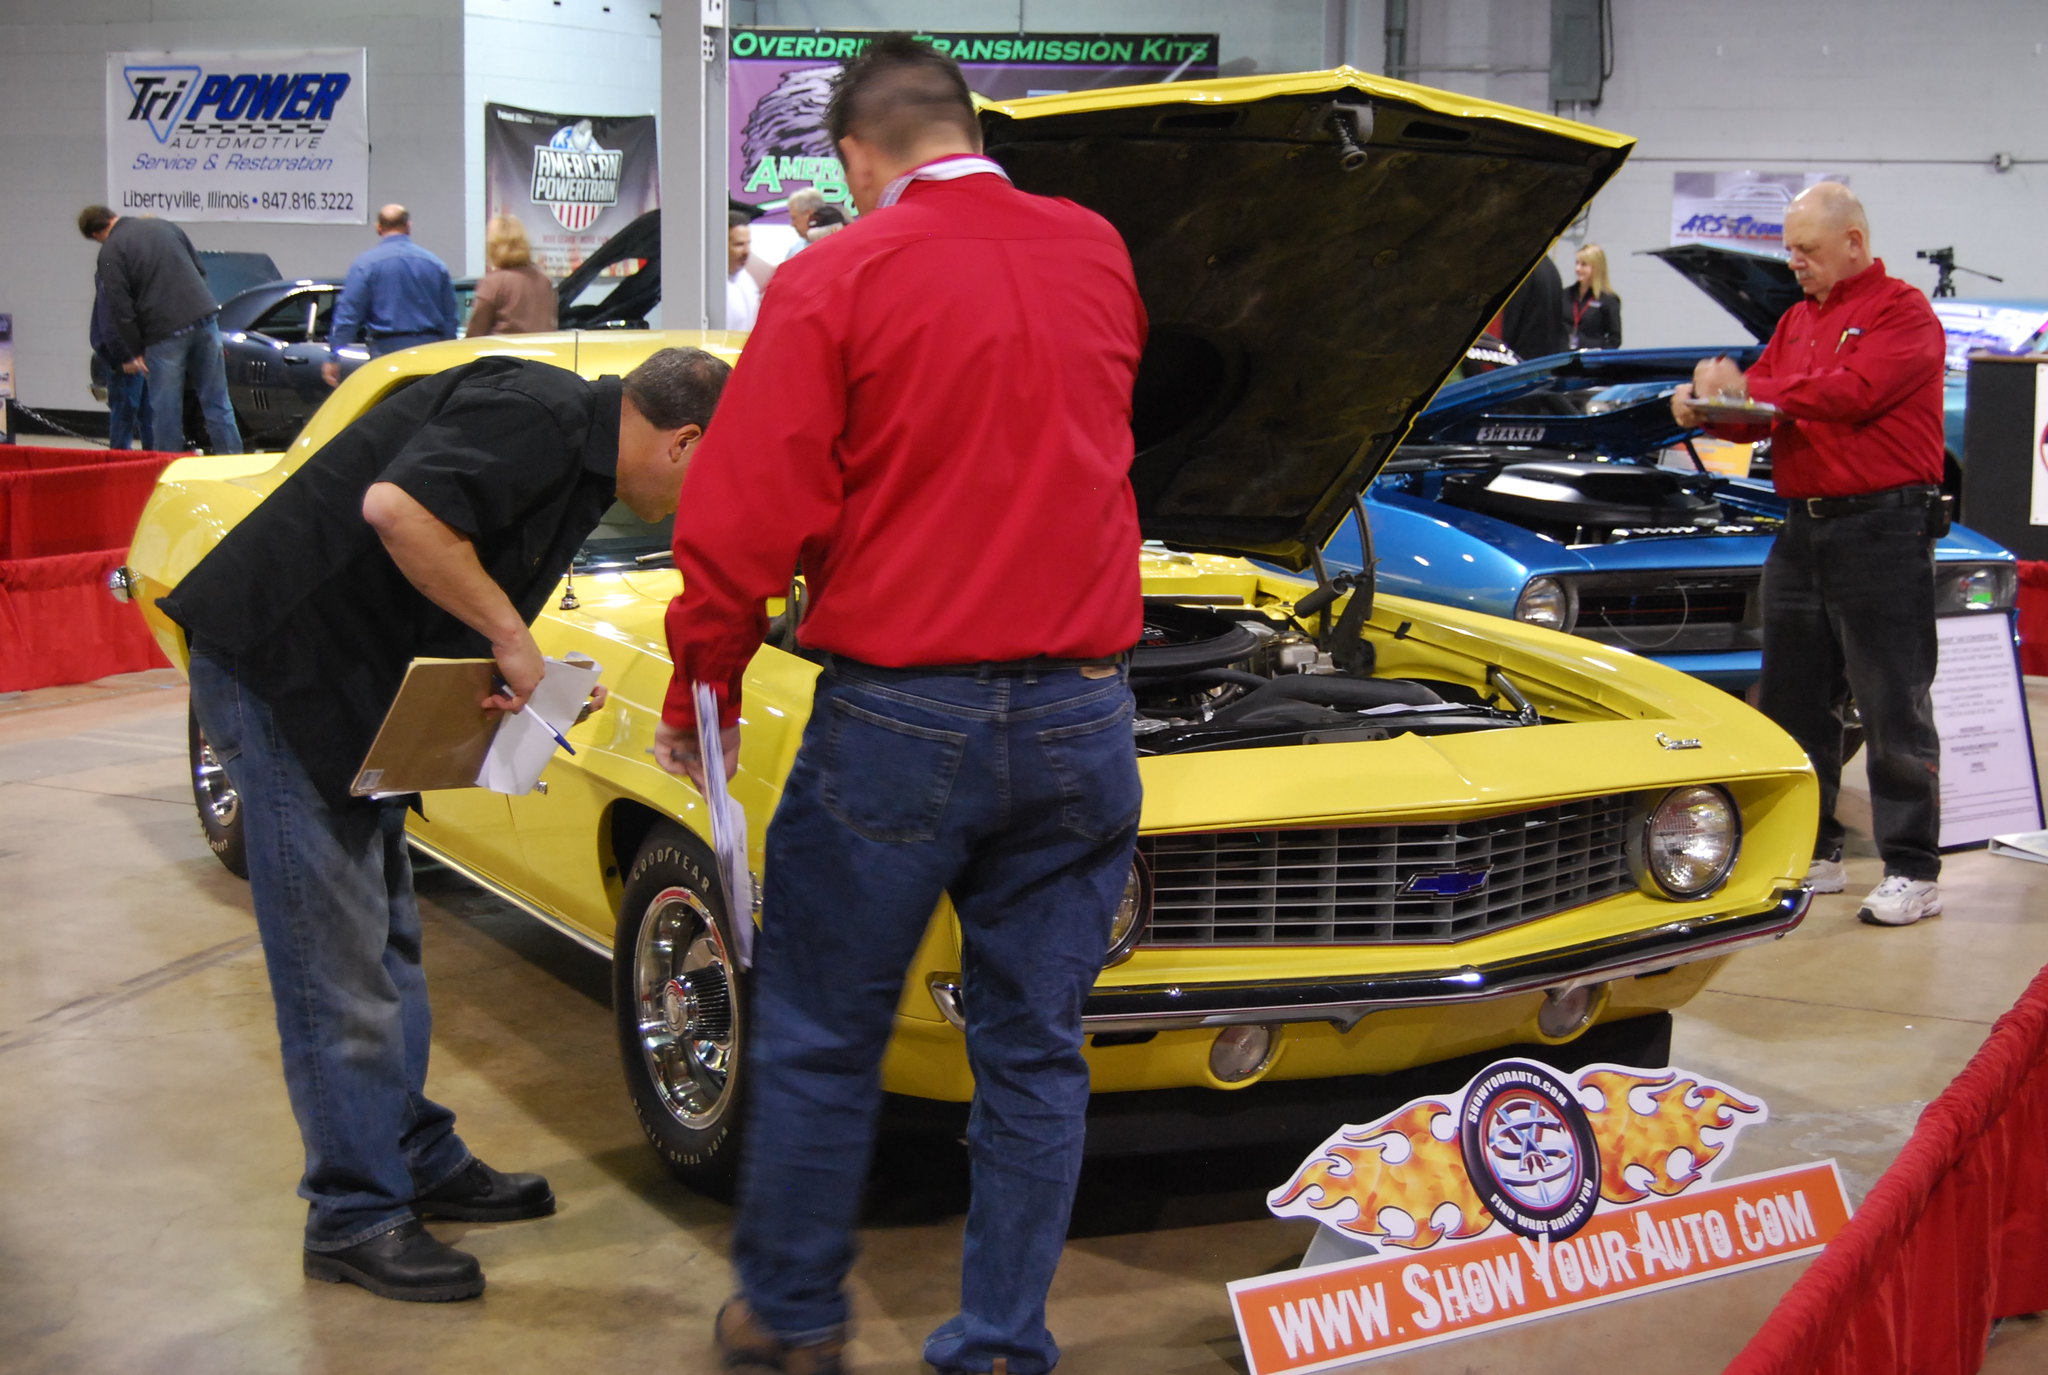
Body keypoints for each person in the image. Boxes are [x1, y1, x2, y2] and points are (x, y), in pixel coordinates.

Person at [654, 33, 1147, 1375]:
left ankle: (797, 1319)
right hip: (1085, 715)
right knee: (1036, 1047)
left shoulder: (837, 275)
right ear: (971, 125)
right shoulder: (1097, 251)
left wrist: (704, 675)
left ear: (859, 157)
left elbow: (748, 514)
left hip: (899, 722)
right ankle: (999, 1338)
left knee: (822, 1030)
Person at [160, 346, 730, 1302]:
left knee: (389, 940)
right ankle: (352, 1214)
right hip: (282, 670)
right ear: (684, 441)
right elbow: (398, 510)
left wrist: (511, 666)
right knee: (337, 965)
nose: (702, 505)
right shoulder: (540, 415)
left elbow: (446, 555)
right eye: (720, 472)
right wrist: (511, 641)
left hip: (354, 680)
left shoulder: (576, 451)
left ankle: (413, 1154)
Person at [1672, 181, 1946, 927]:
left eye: (1808, 249)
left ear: (1854, 242)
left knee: (1893, 704)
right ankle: (1816, 849)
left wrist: (1755, 387)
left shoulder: (1903, 313)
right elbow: (1762, 417)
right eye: (1789, 249)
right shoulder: (1796, 321)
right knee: (1794, 700)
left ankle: (1913, 867)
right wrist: (1709, 408)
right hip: (1803, 531)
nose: (1794, 262)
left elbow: (1851, 391)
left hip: (1882, 532)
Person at [77, 205, 243, 455]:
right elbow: (200, 270)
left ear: (96, 234)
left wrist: (134, 351)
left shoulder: (110, 251)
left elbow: (119, 307)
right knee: (217, 402)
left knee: (166, 411)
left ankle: (168, 470)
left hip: (164, 333)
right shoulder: (164, 226)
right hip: (204, 320)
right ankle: (233, 463)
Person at [323, 204, 460, 386]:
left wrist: (334, 356)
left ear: (379, 228)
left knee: (390, 408)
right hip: (430, 351)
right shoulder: (434, 264)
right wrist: (447, 351)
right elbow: (450, 316)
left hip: (386, 353)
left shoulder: (365, 265)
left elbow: (348, 315)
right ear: (408, 226)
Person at [465, 214, 557, 336]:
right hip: (540, 352)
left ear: (492, 246)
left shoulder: (493, 282)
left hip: (503, 352)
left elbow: (475, 333)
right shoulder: (544, 280)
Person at [91, 279, 154, 450]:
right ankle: (121, 469)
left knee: (150, 417)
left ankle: (154, 467)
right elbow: (110, 325)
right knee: (126, 415)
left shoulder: (133, 271)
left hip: (145, 353)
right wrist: (125, 357)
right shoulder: (113, 274)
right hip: (127, 356)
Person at [1499, 252, 1568, 360]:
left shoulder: (1523, 268)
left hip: (1522, 359)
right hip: (1546, 360)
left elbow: (1511, 320)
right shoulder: (1551, 268)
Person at [1567, 243, 1622, 350]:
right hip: (1564, 359)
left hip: (1591, 362)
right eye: (1577, 263)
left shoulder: (1609, 300)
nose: (1577, 268)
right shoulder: (1565, 295)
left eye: (1584, 264)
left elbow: (1615, 338)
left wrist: (1600, 355)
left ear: (1596, 268)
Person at [725, 209, 761, 330]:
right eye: (739, 244)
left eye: (748, 243)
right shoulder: (708, 289)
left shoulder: (747, 280)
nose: (746, 251)